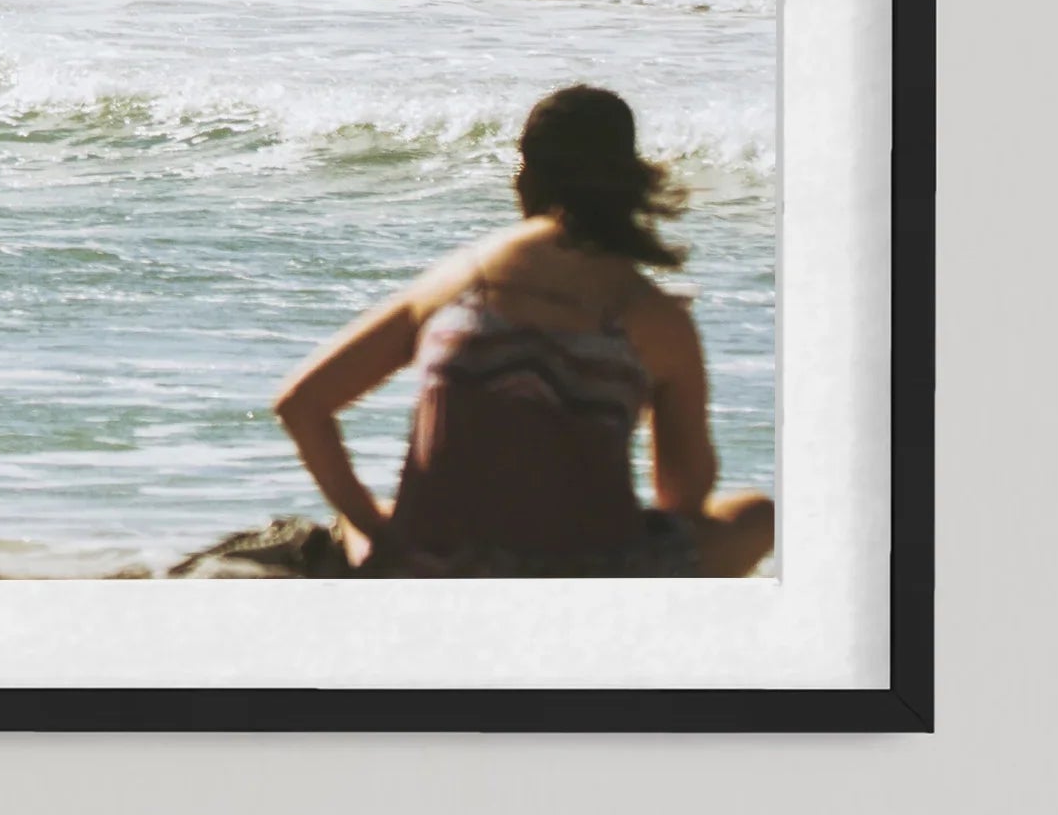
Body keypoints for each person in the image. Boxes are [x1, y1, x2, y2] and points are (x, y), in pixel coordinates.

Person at [270, 85, 775, 577]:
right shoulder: (654, 314)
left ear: (526, 172)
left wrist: (380, 532)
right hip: (592, 575)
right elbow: (682, 499)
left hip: (434, 565)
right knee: (758, 516)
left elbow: (301, 403)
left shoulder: (464, 278)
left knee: (364, 518)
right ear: (629, 179)